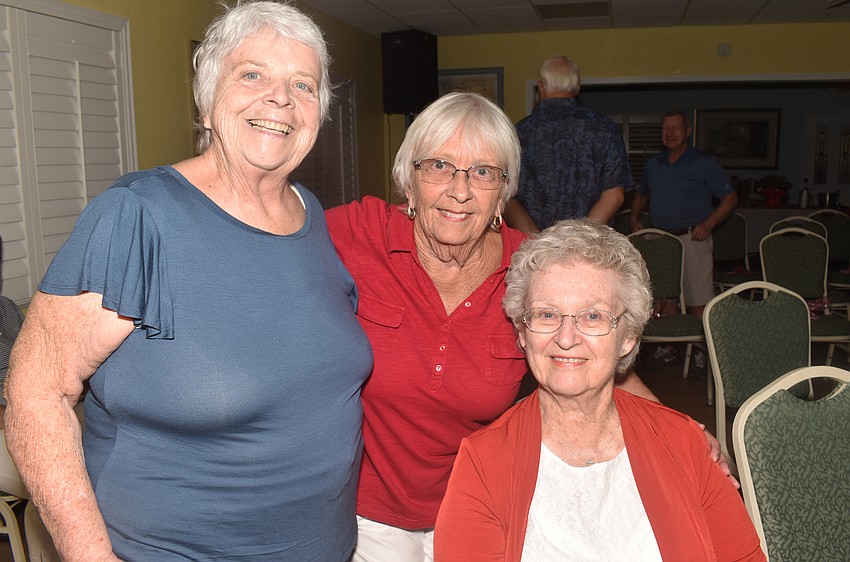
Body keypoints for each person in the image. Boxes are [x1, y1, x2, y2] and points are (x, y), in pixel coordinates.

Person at [3, 2, 373, 560]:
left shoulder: (308, 210)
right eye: (252, 74)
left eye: (303, 84)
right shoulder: (137, 216)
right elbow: (35, 393)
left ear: (317, 113)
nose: (280, 98)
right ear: (206, 100)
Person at [326, 92, 722, 562]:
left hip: (484, 503)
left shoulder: (530, 272)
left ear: (504, 191)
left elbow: (595, 358)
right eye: (438, 165)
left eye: (482, 172)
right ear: (408, 180)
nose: (459, 189)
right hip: (369, 514)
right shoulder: (356, 234)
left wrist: (687, 437)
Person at [434, 220, 765, 561]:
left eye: (592, 316)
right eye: (547, 314)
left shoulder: (685, 443)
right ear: (521, 330)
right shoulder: (484, 462)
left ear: (628, 337)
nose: (566, 338)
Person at [629, 110, 737, 375]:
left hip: (693, 237)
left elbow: (730, 198)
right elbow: (641, 194)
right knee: (666, 298)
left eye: (676, 128)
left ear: (687, 131)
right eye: (666, 129)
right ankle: (672, 349)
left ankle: (703, 353)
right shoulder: (654, 165)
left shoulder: (703, 162)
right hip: (661, 240)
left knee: (699, 300)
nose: (670, 133)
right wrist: (634, 218)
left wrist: (708, 224)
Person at [504, 55, 632, 234]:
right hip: (588, 247)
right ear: (577, 86)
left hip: (533, 248)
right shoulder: (604, 128)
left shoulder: (518, 133)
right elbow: (614, 196)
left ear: (541, 86)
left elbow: (508, 197)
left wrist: (537, 242)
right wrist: (577, 240)